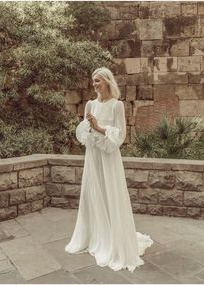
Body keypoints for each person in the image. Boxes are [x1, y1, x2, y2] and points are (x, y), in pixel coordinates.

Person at [65, 67, 153, 272]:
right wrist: (88, 128)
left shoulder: (117, 106)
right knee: (93, 195)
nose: (94, 84)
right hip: (93, 156)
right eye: (93, 81)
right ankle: (95, 236)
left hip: (109, 157)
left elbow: (120, 136)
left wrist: (98, 128)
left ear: (107, 82)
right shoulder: (90, 104)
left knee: (110, 194)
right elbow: (83, 134)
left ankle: (114, 240)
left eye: (98, 81)